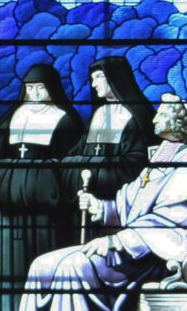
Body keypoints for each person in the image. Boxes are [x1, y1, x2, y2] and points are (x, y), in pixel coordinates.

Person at [12, 94, 187, 311]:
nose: (154, 118)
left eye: (162, 114)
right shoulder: (160, 156)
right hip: (134, 248)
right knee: (41, 266)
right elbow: (130, 203)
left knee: (74, 267)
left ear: (177, 121)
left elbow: (174, 217)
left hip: (153, 255)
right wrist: (102, 208)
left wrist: (117, 242)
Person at [0, 64, 84, 311]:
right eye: (29, 88)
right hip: (11, 208)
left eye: (40, 88)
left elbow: (69, 164)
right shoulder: (12, 118)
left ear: (51, 88)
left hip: (48, 212)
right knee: (10, 269)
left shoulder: (65, 119)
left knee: (44, 262)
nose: (34, 93)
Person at [62, 56, 158, 234]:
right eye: (92, 79)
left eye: (98, 77)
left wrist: (92, 170)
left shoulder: (138, 116)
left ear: (115, 77)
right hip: (89, 203)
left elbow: (136, 166)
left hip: (120, 207)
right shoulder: (99, 114)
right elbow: (74, 155)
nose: (93, 84)